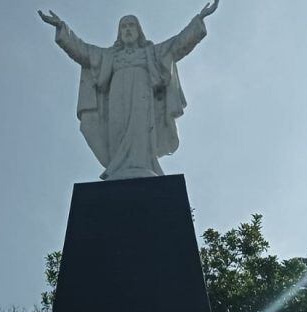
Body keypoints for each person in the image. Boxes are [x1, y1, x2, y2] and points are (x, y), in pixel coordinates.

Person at [39, 3, 219, 180]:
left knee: (141, 130)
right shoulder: (110, 55)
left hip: (142, 97)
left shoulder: (151, 52)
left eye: (131, 25)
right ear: (119, 33)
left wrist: (199, 20)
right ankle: (119, 168)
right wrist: (62, 28)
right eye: (123, 27)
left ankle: (143, 166)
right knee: (117, 128)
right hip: (116, 97)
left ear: (139, 30)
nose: (127, 30)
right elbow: (83, 51)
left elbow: (178, 44)